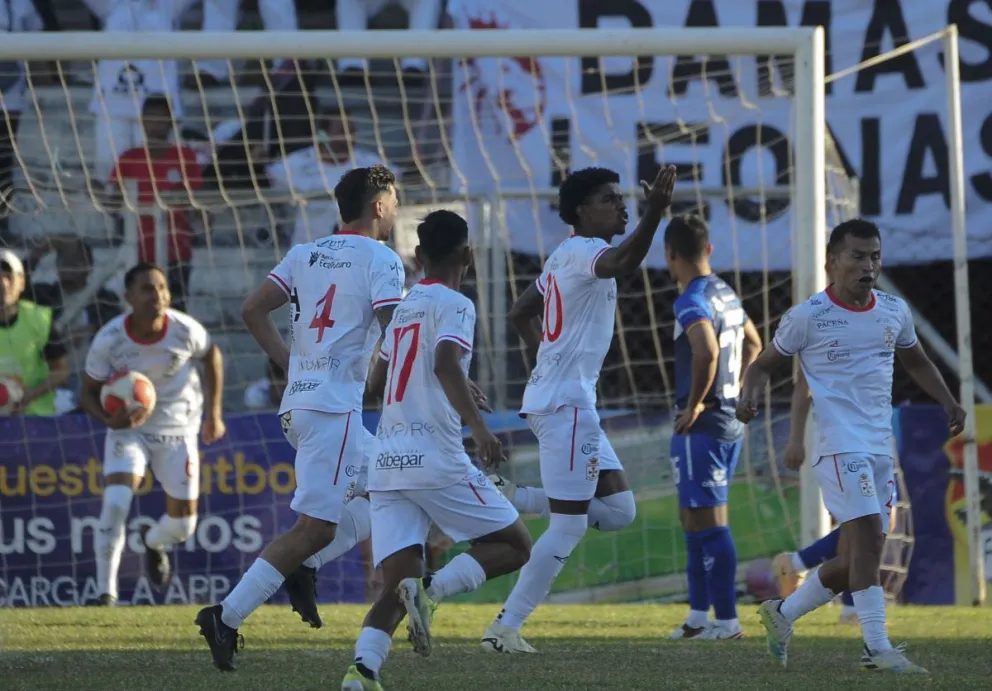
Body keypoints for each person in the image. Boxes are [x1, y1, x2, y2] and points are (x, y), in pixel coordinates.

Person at [194, 165, 405, 672]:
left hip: (302, 402)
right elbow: (395, 329)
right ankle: (225, 616)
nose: (396, 211)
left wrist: (290, 363)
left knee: (397, 487)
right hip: (332, 409)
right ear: (379, 206)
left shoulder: (303, 253)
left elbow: (252, 309)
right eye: (395, 202)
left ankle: (302, 566)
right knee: (314, 528)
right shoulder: (382, 258)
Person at [737, 218, 965, 674]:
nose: (868, 266)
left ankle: (783, 613)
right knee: (863, 537)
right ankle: (876, 648)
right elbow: (763, 366)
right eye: (858, 256)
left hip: (880, 446)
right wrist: (749, 395)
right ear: (832, 261)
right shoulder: (808, 316)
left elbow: (917, 362)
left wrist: (948, 400)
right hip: (839, 446)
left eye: (875, 256)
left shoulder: (893, 311)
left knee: (860, 556)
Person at [480, 164, 677, 654]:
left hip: (567, 400)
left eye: (621, 198)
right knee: (568, 525)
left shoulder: (564, 256)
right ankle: (504, 628)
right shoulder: (586, 251)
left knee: (618, 510)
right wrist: (654, 212)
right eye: (610, 199)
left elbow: (521, 312)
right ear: (581, 212)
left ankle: (516, 497)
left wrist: (546, 361)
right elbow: (625, 261)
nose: (622, 205)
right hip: (565, 404)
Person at [341, 210, 531, 691]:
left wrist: (445, 382)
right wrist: (479, 427)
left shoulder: (405, 307)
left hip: (388, 461)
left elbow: (377, 382)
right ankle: (432, 590)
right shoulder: (457, 303)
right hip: (435, 456)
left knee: (396, 585)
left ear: (418, 255)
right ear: (468, 254)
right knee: (515, 545)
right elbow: (446, 362)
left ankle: (361, 672)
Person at [80, 262, 226, 605]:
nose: (157, 295)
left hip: (178, 430)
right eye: (147, 288)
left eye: (162, 288)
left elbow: (212, 356)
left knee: (183, 527)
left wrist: (214, 414)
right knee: (116, 503)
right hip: (130, 430)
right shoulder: (110, 339)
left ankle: (153, 541)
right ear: (129, 297)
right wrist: (108, 420)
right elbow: (86, 392)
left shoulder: (184, 329)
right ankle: (105, 593)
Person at [664, 215, 762, 641]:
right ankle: (698, 617)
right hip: (726, 420)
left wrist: (696, 404)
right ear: (709, 250)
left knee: (709, 520)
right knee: (693, 516)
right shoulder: (726, 292)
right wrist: (739, 391)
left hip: (704, 424)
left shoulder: (691, 299)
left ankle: (727, 622)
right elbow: (754, 343)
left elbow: (705, 352)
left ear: (670, 254)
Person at [108, 94, 203, 312]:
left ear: (171, 122)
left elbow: (198, 200)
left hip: (176, 250)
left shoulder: (184, 157)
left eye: (161, 118)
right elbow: (113, 202)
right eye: (151, 118)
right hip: (138, 251)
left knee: (176, 310)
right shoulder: (129, 158)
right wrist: (101, 193)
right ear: (142, 122)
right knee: (141, 311)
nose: (156, 124)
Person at [86, 0, 190, 180]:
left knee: (155, 176)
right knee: (109, 172)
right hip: (113, 105)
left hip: (157, 109)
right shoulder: (111, 7)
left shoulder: (168, 7)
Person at [266, 107, 387, 247]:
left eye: (352, 130)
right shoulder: (300, 162)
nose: (349, 136)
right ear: (323, 134)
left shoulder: (367, 162)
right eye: (342, 131)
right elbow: (273, 175)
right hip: (310, 247)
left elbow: (395, 177)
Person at [0, 249, 70, 415]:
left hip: (35, 418)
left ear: (22, 283)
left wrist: (29, 396)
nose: (3, 284)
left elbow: (61, 371)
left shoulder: (40, 318)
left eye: (9, 277)